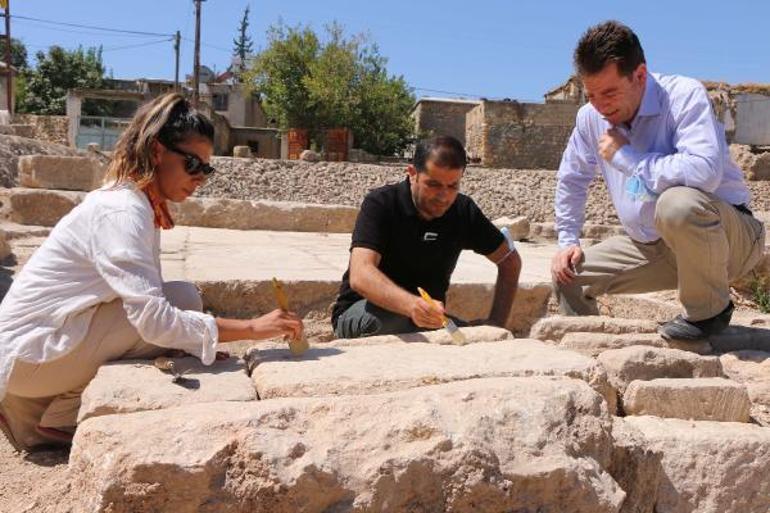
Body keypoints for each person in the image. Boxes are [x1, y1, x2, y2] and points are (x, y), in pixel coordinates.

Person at [0, 93, 304, 452]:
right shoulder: (122, 211)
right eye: (193, 164)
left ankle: (33, 406)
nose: (200, 178)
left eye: (207, 168)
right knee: (162, 318)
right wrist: (250, 329)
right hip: (26, 358)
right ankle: (52, 416)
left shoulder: (140, 203)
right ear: (158, 152)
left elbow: (158, 304)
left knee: (185, 297)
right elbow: (153, 321)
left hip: (44, 345)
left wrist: (195, 338)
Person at [552, 20, 766, 340]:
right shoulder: (590, 117)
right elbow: (572, 178)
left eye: (609, 92)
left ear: (640, 75)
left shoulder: (682, 96)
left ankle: (708, 313)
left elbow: (703, 171)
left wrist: (627, 159)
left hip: (727, 240)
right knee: (568, 275)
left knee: (677, 203)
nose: (599, 105)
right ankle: (591, 348)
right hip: (654, 247)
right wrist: (568, 239)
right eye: (591, 95)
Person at [332, 135, 521, 339]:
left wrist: (496, 323)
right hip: (363, 313)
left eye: (452, 186)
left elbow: (509, 261)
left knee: (466, 337)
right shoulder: (382, 204)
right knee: (393, 321)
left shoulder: (463, 211)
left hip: (430, 321)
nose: (444, 196)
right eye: (434, 185)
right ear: (412, 173)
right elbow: (361, 275)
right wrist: (411, 306)